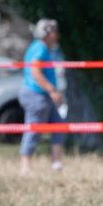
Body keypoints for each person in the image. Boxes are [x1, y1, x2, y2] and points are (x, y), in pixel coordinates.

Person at [19, 18, 66, 174]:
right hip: (37, 95)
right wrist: (52, 90)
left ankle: (57, 163)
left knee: (58, 125)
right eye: (54, 31)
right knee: (34, 129)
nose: (57, 35)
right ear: (47, 33)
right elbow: (35, 71)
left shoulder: (42, 48)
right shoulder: (40, 48)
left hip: (43, 95)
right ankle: (25, 166)